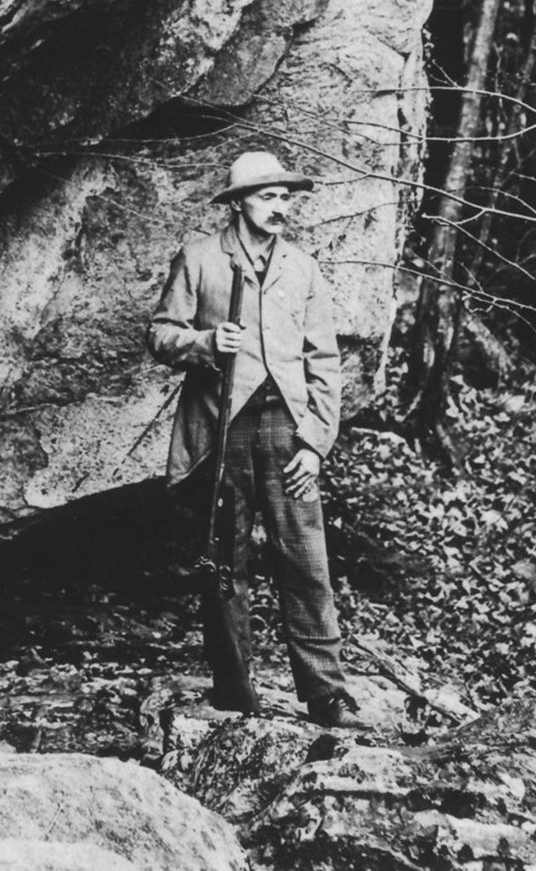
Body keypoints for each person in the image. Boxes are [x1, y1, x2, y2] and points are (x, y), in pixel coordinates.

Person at [146, 149, 363, 728]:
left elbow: (325, 362)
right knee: (225, 562)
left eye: (284, 196)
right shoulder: (199, 259)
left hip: (287, 430)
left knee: (306, 560)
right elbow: (161, 333)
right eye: (268, 196)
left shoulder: (303, 268)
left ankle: (325, 693)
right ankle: (235, 691)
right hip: (223, 428)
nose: (280, 207)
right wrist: (207, 343)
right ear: (239, 202)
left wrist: (315, 444)